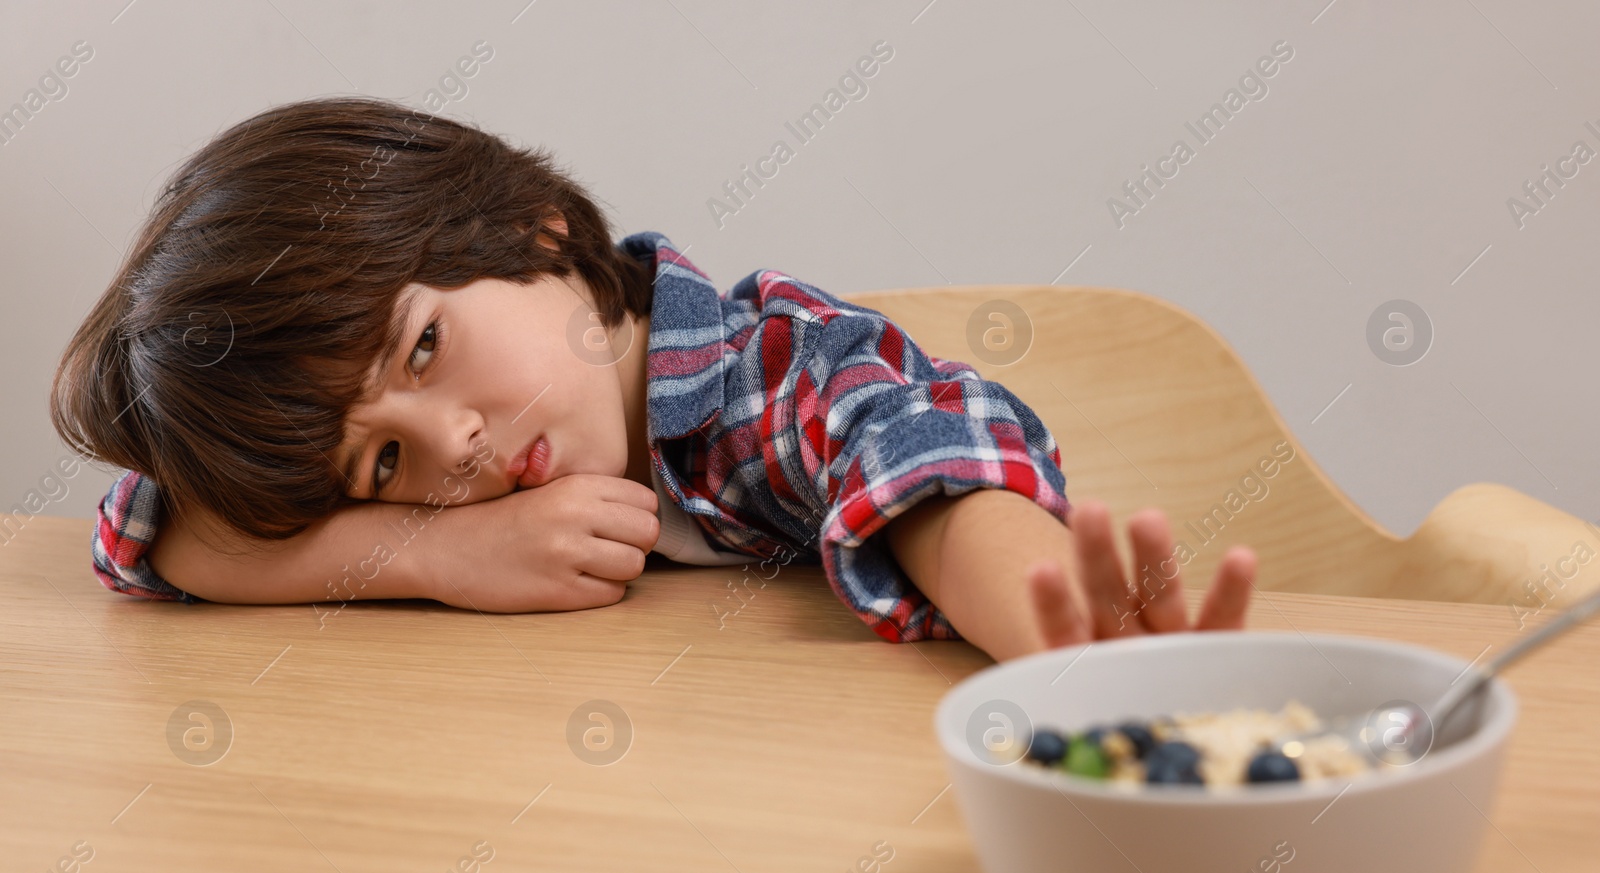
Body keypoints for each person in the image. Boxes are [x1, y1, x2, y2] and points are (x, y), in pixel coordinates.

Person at [49, 97, 1257, 664]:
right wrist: (433, 556)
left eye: (421, 348)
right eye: (382, 463)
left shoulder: (762, 371)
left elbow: (923, 466)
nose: (451, 448)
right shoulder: (445, 511)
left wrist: (1069, 641)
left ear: (530, 233)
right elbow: (154, 530)